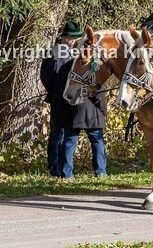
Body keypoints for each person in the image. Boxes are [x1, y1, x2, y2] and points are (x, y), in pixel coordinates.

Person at [40, 20, 108, 178]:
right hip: (63, 100)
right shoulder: (53, 53)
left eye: (75, 39)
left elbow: (96, 82)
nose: (72, 42)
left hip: (79, 102)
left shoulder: (85, 55)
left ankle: (72, 172)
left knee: (74, 138)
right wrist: (58, 93)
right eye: (69, 38)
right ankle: (56, 168)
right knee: (59, 135)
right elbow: (47, 77)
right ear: (63, 38)